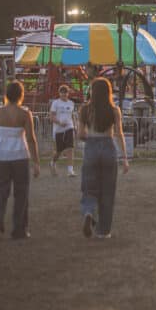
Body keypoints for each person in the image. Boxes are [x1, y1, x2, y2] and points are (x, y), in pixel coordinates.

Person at [77, 77, 129, 239]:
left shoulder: (85, 109)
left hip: (91, 147)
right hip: (108, 147)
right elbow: (119, 134)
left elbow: (80, 134)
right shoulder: (114, 110)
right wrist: (124, 158)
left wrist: (90, 138)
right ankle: (103, 231)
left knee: (89, 186)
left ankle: (89, 212)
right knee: (108, 191)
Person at [0, 81, 39, 241]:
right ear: (21, 95)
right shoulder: (24, 114)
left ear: (6, 94)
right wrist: (36, 162)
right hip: (19, 156)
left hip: (0, 156)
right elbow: (31, 139)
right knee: (21, 193)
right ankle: (19, 229)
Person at [49, 85, 77, 177]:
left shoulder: (71, 103)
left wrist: (75, 126)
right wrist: (59, 122)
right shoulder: (55, 103)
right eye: (62, 92)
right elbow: (52, 116)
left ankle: (70, 170)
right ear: (59, 93)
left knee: (70, 148)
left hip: (69, 127)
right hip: (58, 129)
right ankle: (52, 162)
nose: (64, 94)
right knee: (59, 151)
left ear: (68, 93)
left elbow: (72, 115)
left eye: (65, 92)